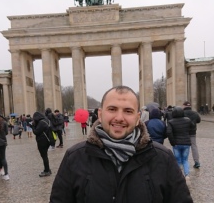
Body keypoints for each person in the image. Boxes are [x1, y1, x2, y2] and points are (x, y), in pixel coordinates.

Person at [50, 86, 193, 203]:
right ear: (100, 115)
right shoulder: (74, 157)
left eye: (128, 111)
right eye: (112, 109)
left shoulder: (163, 158)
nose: (119, 118)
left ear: (138, 118)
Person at [167, 106, 193, 181]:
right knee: (185, 160)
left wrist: (172, 142)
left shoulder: (171, 122)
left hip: (176, 144)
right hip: (186, 143)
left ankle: (178, 176)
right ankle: (187, 175)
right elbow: (192, 128)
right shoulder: (187, 120)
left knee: (177, 160)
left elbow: (169, 132)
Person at [31, 111, 52, 177]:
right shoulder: (46, 120)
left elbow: (36, 132)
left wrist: (33, 126)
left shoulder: (41, 123)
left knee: (44, 156)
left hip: (42, 141)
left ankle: (46, 171)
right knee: (45, 156)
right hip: (48, 140)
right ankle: (48, 169)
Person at [183, 101, 201, 168]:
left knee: (185, 147)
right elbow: (199, 120)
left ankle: (184, 161)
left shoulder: (182, 113)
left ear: (184, 106)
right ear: (190, 106)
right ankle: (197, 161)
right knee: (194, 147)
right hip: (193, 132)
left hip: (184, 132)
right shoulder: (195, 113)